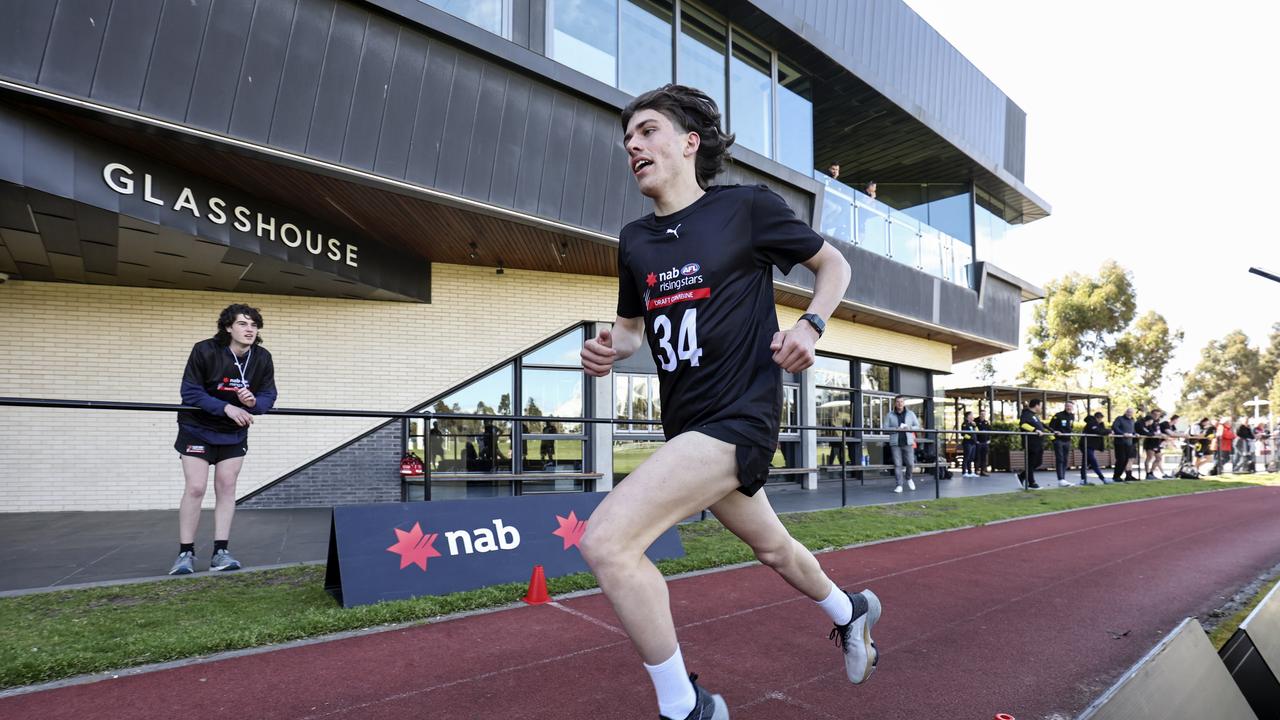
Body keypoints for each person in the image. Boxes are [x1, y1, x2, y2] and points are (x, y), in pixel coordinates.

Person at [578, 84, 875, 720]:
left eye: (648, 130)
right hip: (687, 427)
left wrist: (810, 326)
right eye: (628, 137)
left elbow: (835, 268)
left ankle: (686, 707)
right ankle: (850, 612)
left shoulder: (745, 210)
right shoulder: (635, 240)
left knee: (607, 542)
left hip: (740, 417)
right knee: (773, 547)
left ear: (689, 143)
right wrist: (611, 347)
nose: (633, 144)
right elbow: (632, 329)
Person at [170, 304, 277, 575]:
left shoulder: (262, 357)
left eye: (253, 324)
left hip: (232, 432)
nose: (249, 329)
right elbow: (190, 391)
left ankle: (221, 552)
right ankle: (186, 553)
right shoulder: (205, 350)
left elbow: (268, 395)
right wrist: (226, 407)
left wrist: (254, 403)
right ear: (228, 327)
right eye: (242, 324)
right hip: (197, 427)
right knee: (195, 487)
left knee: (227, 487)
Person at [885, 396, 922, 493]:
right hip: (895, 443)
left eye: (901, 402)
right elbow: (885, 428)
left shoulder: (910, 414)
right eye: (898, 402)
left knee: (910, 463)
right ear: (895, 403)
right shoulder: (890, 415)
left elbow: (917, 426)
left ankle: (909, 478)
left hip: (908, 442)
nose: (900, 403)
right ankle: (899, 485)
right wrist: (895, 429)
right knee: (897, 465)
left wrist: (909, 428)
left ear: (904, 403)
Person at [1017, 398, 1050, 489]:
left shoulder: (1034, 415)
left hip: (1038, 443)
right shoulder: (1026, 414)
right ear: (1036, 405)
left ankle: (1022, 476)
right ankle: (1031, 483)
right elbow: (1023, 425)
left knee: (1038, 462)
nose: (1041, 408)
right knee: (1031, 463)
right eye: (1041, 406)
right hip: (1031, 442)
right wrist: (1035, 430)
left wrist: (1052, 431)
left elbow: (1041, 424)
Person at [1049, 402, 1077, 487]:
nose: (1069, 408)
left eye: (1070, 406)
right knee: (1060, 459)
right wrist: (1054, 439)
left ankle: (1063, 479)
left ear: (1072, 408)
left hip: (1067, 441)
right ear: (1065, 407)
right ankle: (1060, 479)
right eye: (1067, 406)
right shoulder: (1058, 415)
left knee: (1065, 460)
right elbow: (1050, 427)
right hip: (1058, 441)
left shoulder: (1072, 416)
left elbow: (1070, 427)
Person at [1080, 411, 1110, 484]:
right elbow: (1098, 431)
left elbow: (1102, 430)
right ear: (1096, 418)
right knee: (1093, 462)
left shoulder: (1099, 424)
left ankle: (1083, 480)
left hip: (1091, 446)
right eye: (1099, 418)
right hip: (1086, 445)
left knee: (1085, 463)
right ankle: (1103, 479)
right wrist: (1110, 431)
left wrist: (1106, 430)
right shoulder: (1091, 423)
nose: (1100, 420)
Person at [1112, 408, 1138, 483]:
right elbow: (1115, 427)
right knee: (1121, 459)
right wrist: (1122, 433)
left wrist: (1135, 434)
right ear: (1125, 412)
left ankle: (1120, 476)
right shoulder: (1119, 419)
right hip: (1120, 443)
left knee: (1126, 460)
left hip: (1129, 443)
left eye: (1131, 412)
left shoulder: (1132, 420)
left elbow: (1132, 430)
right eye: (1128, 412)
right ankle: (1116, 476)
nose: (1129, 413)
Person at [960, 411, 978, 477]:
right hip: (967, 443)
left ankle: (970, 472)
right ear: (968, 416)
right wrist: (970, 438)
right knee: (966, 457)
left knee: (971, 458)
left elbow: (977, 431)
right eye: (971, 415)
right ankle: (964, 472)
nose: (973, 416)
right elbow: (963, 434)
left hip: (973, 443)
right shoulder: (964, 424)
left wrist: (975, 425)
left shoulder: (972, 424)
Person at [974, 411, 993, 476]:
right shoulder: (975, 422)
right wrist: (976, 440)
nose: (983, 415)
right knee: (977, 457)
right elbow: (974, 432)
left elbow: (990, 431)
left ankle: (983, 471)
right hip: (978, 442)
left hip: (985, 443)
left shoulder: (986, 422)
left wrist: (989, 440)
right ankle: (976, 471)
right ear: (979, 414)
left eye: (984, 414)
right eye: (982, 414)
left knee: (984, 457)